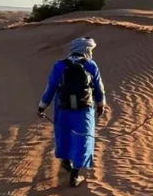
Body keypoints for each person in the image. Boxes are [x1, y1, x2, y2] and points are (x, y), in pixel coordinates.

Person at [37, 36, 106, 187]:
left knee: (64, 134)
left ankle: (66, 162)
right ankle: (75, 176)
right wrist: (101, 105)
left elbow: (51, 88)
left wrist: (42, 106)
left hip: (63, 108)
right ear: (86, 50)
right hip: (84, 110)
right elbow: (99, 88)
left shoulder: (59, 65)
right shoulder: (90, 65)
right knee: (82, 138)